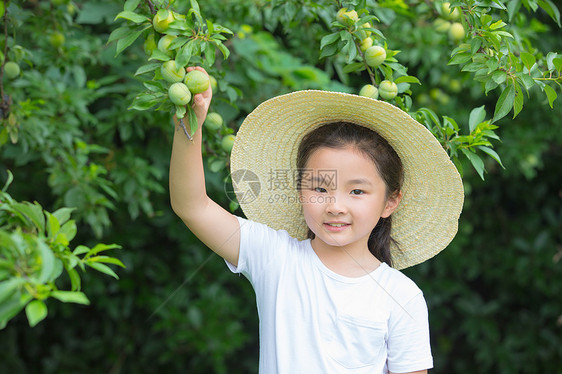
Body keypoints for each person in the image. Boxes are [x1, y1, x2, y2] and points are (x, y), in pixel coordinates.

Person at [170, 66, 464, 373]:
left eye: (358, 191)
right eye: (320, 188)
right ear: (299, 191)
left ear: (390, 201)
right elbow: (192, 207)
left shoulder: (402, 297)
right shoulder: (276, 258)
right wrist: (189, 125)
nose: (335, 205)